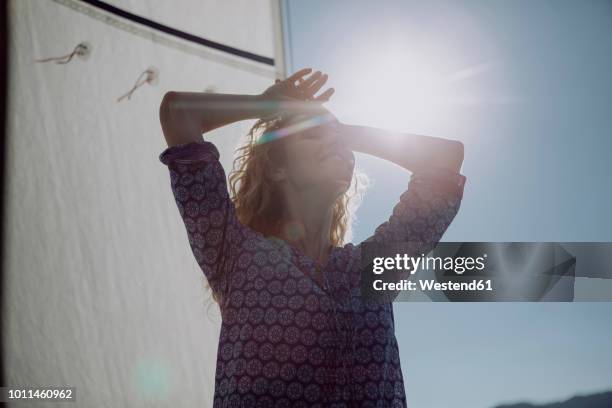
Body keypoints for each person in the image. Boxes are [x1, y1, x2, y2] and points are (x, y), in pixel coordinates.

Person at [158, 68, 466, 407]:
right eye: (312, 137)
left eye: (340, 144)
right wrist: (265, 105)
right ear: (278, 167)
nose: (333, 143)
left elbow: (446, 157)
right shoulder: (234, 254)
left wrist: (343, 132)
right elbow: (179, 113)